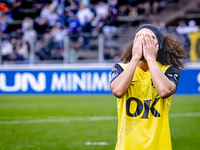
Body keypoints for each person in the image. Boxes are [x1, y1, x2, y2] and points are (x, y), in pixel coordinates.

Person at [110, 24, 186, 150]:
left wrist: (151, 58)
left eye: (150, 38)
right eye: (140, 37)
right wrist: (135, 58)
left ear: (158, 46)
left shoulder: (168, 70)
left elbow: (164, 90)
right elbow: (117, 91)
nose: (144, 41)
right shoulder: (120, 68)